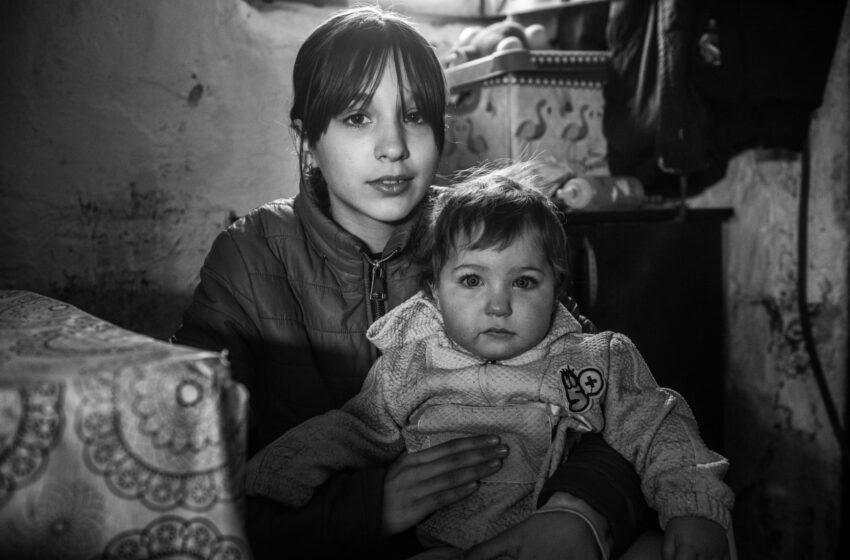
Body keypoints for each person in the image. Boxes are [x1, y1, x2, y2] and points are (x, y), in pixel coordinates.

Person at [173, 6, 655, 559]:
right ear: (306, 137)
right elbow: (190, 474)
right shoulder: (249, 256)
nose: (394, 146)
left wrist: (582, 511)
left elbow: (610, 398)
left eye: (415, 115)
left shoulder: (484, 235)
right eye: (358, 117)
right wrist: (367, 506)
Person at [245, 165, 735, 559]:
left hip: (566, 539)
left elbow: (660, 426)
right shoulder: (409, 366)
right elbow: (349, 431)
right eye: (472, 281)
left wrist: (696, 508)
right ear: (435, 290)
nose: (498, 305)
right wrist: (264, 478)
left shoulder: (593, 360)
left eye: (523, 282)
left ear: (557, 289)